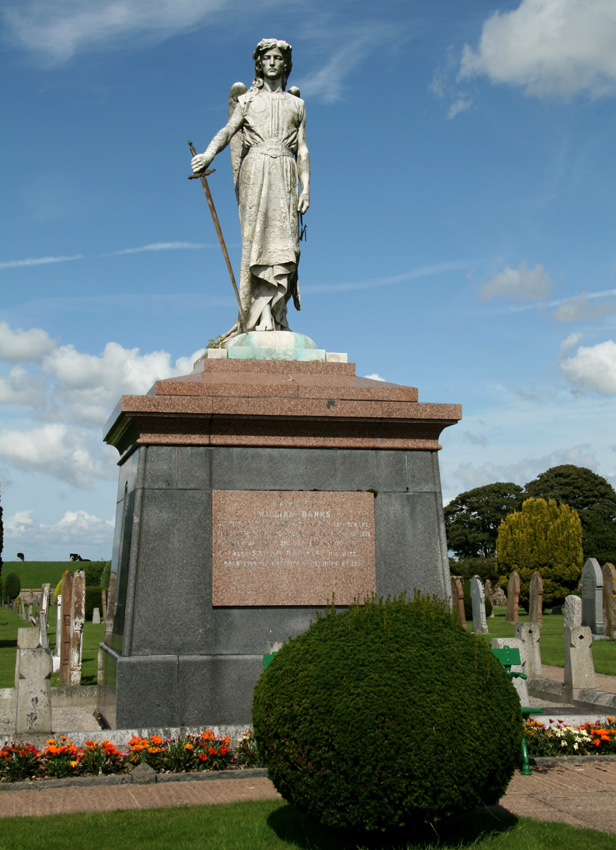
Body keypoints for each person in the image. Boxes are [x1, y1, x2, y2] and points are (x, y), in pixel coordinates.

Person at [191, 38, 310, 339]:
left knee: (285, 245)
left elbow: (303, 150)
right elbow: (228, 131)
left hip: (285, 172)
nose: (272, 62)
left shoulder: (297, 104)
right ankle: (258, 315)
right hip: (255, 171)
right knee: (256, 241)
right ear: (259, 63)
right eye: (267, 57)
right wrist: (207, 154)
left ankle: (277, 312)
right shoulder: (247, 101)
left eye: (278, 58)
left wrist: (305, 188)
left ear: (286, 64)